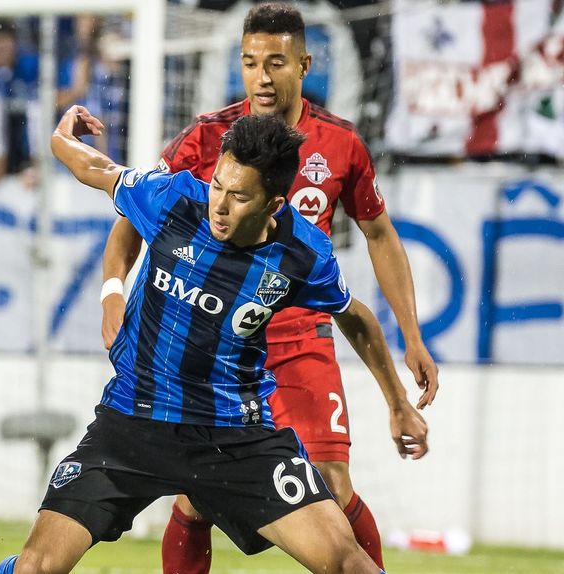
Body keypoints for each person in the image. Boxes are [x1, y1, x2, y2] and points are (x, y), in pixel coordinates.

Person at [0, 107, 433, 574]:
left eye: (238, 196)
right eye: (218, 186)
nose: (218, 205)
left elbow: (355, 318)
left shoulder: (304, 255)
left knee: (348, 563)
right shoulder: (176, 199)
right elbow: (94, 167)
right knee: (34, 569)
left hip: (236, 436)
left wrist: (397, 400)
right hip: (132, 420)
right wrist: (63, 133)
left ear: (274, 205)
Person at [97, 4, 439, 571]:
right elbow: (130, 222)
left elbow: (379, 234)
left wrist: (412, 337)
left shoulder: (341, 145)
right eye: (250, 62)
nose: (261, 76)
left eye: (275, 63)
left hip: (300, 336)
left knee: (331, 482)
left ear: (303, 65)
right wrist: (113, 290)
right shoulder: (207, 138)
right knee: (195, 494)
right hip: (213, 346)